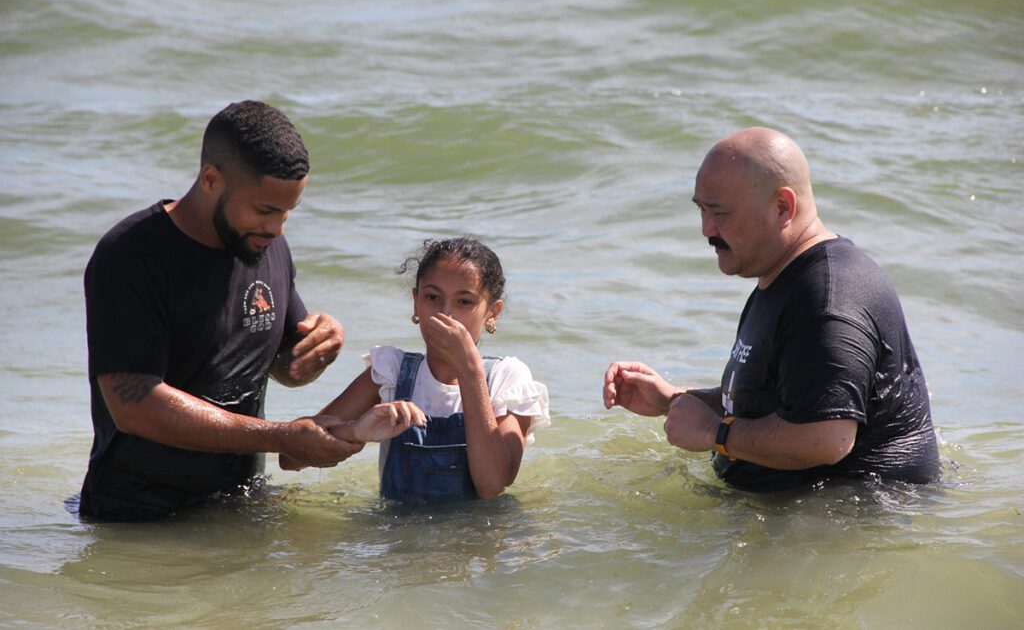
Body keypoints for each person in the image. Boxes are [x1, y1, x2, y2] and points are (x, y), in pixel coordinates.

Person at [80, 100, 388, 521]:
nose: (277, 228)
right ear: (211, 179)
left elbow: (285, 368)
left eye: (286, 212)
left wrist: (321, 342)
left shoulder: (265, 243)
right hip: (139, 520)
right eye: (265, 210)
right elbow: (133, 406)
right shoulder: (131, 256)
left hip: (237, 509)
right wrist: (280, 437)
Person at [603, 127, 940, 491]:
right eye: (701, 209)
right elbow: (787, 400)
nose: (706, 229)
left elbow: (827, 439)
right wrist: (676, 400)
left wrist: (713, 432)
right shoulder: (784, 276)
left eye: (719, 212)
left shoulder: (828, 299)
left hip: (843, 527)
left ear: (783, 206)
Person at [282, 237, 550, 502]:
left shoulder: (507, 379)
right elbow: (290, 458)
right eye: (432, 297)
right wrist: (354, 431)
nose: (446, 314)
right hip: (399, 541)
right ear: (415, 302)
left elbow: (491, 485)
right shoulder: (391, 372)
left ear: (493, 312)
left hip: (473, 543)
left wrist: (470, 371)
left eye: (464, 302)